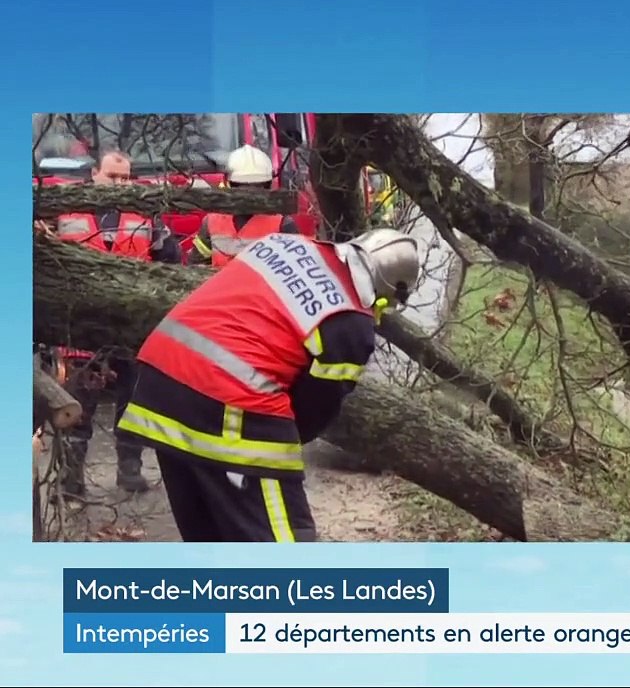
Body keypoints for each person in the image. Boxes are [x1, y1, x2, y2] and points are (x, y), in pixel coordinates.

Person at [115, 228, 421, 542]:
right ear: (387, 291)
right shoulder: (350, 325)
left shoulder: (285, 243)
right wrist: (281, 452)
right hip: (231, 407)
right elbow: (314, 410)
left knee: (209, 540)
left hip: (158, 381)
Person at [53, 149, 182, 496]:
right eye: (112, 176)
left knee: (132, 405)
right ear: (94, 173)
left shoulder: (144, 214)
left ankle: (129, 472)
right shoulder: (65, 208)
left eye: (125, 178)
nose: (120, 184)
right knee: (78, 408)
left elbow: (170, 259)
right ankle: (71, 480)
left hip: (128, 329)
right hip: (80, 327)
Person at [187, 145, 299, 267]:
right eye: (241, 187)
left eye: (256, 186)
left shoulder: (283, 224)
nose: (249, 193)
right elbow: (196, 263)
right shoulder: (211, 221)